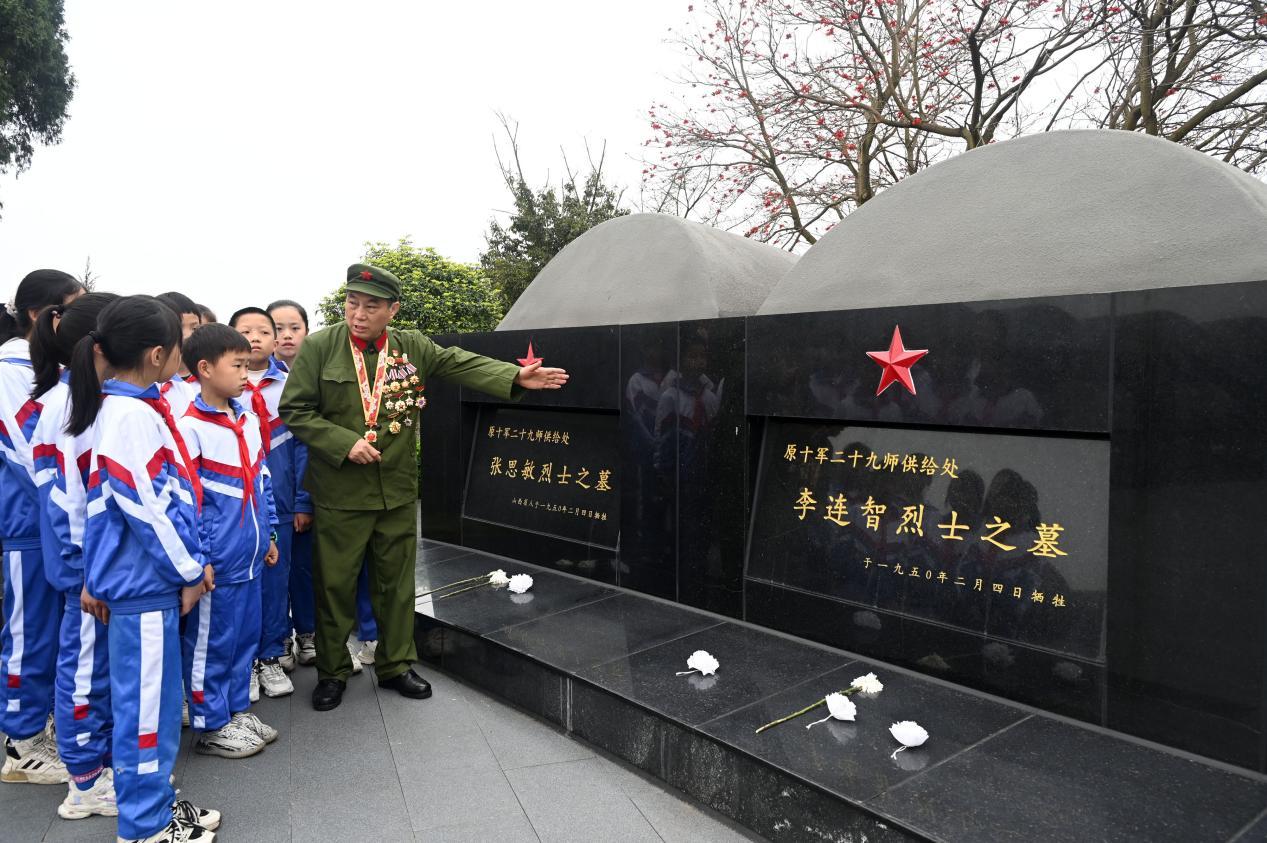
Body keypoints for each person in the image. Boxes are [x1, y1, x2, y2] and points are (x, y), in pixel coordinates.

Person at [280, 264, 568, 711]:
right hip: (340, 492)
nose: (358, 314)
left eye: (371, 306)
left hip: (395, 490)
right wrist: (343, 442)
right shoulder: (320, 347)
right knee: (335, 585)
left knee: (396, 585)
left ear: (392, 310)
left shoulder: (411, 346)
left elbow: (459, 361)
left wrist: (514, 377)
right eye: (352, 303)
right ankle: (333, 672)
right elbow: (295, 410)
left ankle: (395, 665)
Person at [68, 296, 220, 843]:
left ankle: (153, 805)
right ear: (158, 354)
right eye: (180, 346)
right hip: (146, 586)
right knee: (146, 714)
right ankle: (145, 826)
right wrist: (189, 570)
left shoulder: (125, 408)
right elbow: (147, 507)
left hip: (141, 583)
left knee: (148, 705)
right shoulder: (130, 416)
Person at [29, 292, 121, 819]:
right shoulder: (68, 406)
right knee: (85, 670)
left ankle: (101, 765)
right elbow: (70, 503)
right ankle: (84, 781)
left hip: (96, 566)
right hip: (85, 569)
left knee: (98, 669)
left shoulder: (91, 399)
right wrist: (89, 571)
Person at [177, 323, 280, 759]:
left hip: (250, 555)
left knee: (243, 640)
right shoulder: (189, 427)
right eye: (236, 365)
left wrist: (269, 532)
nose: (245, 373)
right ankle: (210, 723)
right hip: (217, 563)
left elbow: (263, 480)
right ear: (204, 368)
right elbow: (189, 502)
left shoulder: (248, 419)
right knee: (211, 644)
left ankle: (235, 711)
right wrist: (201, 557)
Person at [0, 268, 82, 784]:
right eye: (71, 310)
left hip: (55, 518)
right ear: (39, 314)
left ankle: (42, 722)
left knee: (54, 630)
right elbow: (26, 452)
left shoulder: (50, 367)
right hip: (29, 522)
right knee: (28, 630)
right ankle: (21, 742)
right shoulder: (10, 368)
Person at [267, 299, 376, 672]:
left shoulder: (320, 371)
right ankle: (277, 642)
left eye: (294, 327)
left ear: (307, 331)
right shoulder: (250, 383)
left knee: (321, 570)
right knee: (279, 573)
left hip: (321, 490)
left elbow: (310, 446)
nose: (285, 336)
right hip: (273, 502)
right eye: (276, 328)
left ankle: (319, 636)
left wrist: (304, 500)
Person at [228, 307, 304, 696]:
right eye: (246, 331)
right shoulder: (223, 389)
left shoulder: (292, 384)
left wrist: (303, 500)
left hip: (281, 503)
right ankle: (245, 663)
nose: (255, 338)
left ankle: (271, 654)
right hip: (235, 511)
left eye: (263, 331)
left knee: (276, 582)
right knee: (241, 588)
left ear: (275, 340)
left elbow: (304, 447)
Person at [155, 292, 201, 418]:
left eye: (194, 328)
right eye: (179, 327)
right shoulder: (145, 384)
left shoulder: (205, 382)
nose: (187, 335)